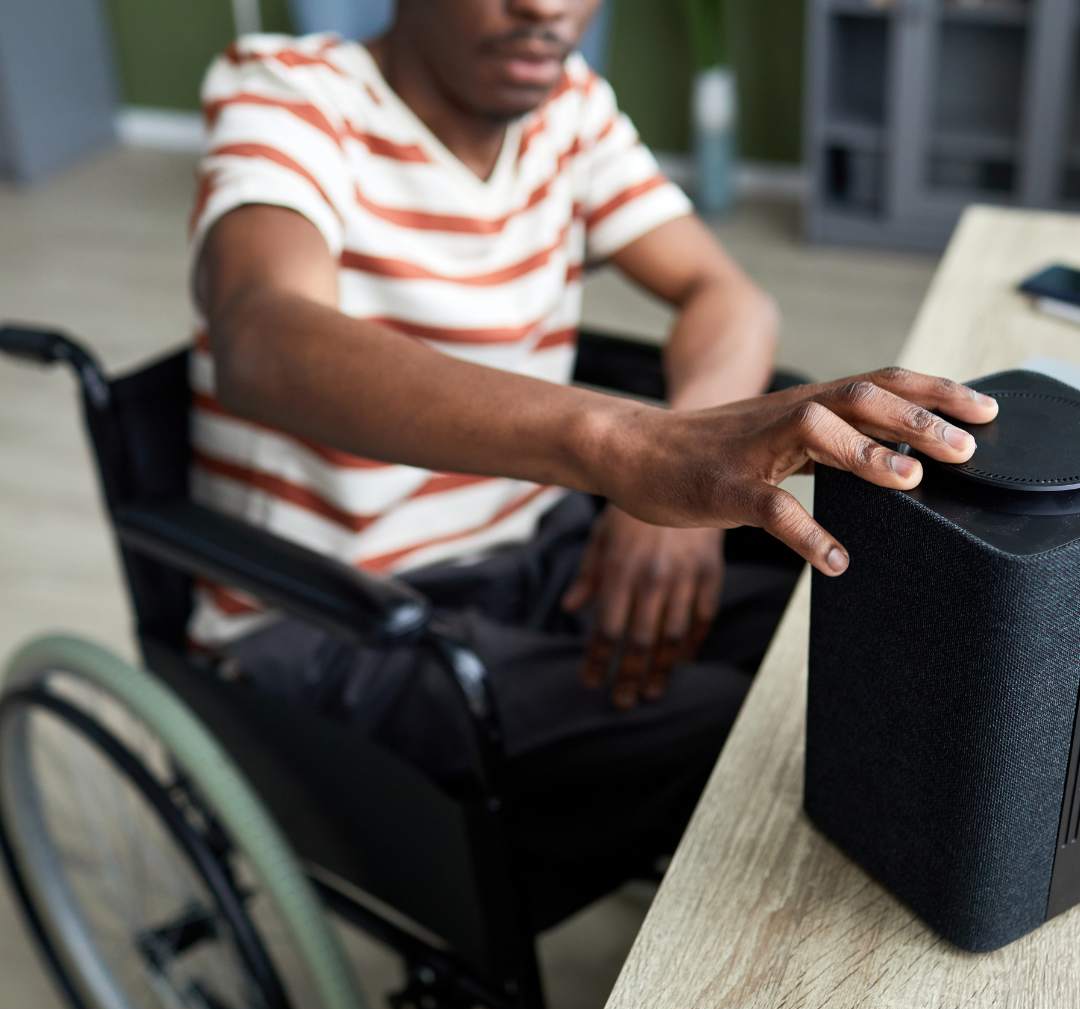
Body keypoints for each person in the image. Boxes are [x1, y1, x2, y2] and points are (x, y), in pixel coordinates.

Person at [188, 0, 997, 868]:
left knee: (850, 635)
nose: (546, 6)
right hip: (337, 614)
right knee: (769, 737)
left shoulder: (568, 108)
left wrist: (665, 494)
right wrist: (628, 449)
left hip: (532, 549)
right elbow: (261, 337)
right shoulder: (289, 91)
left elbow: (727, 297)